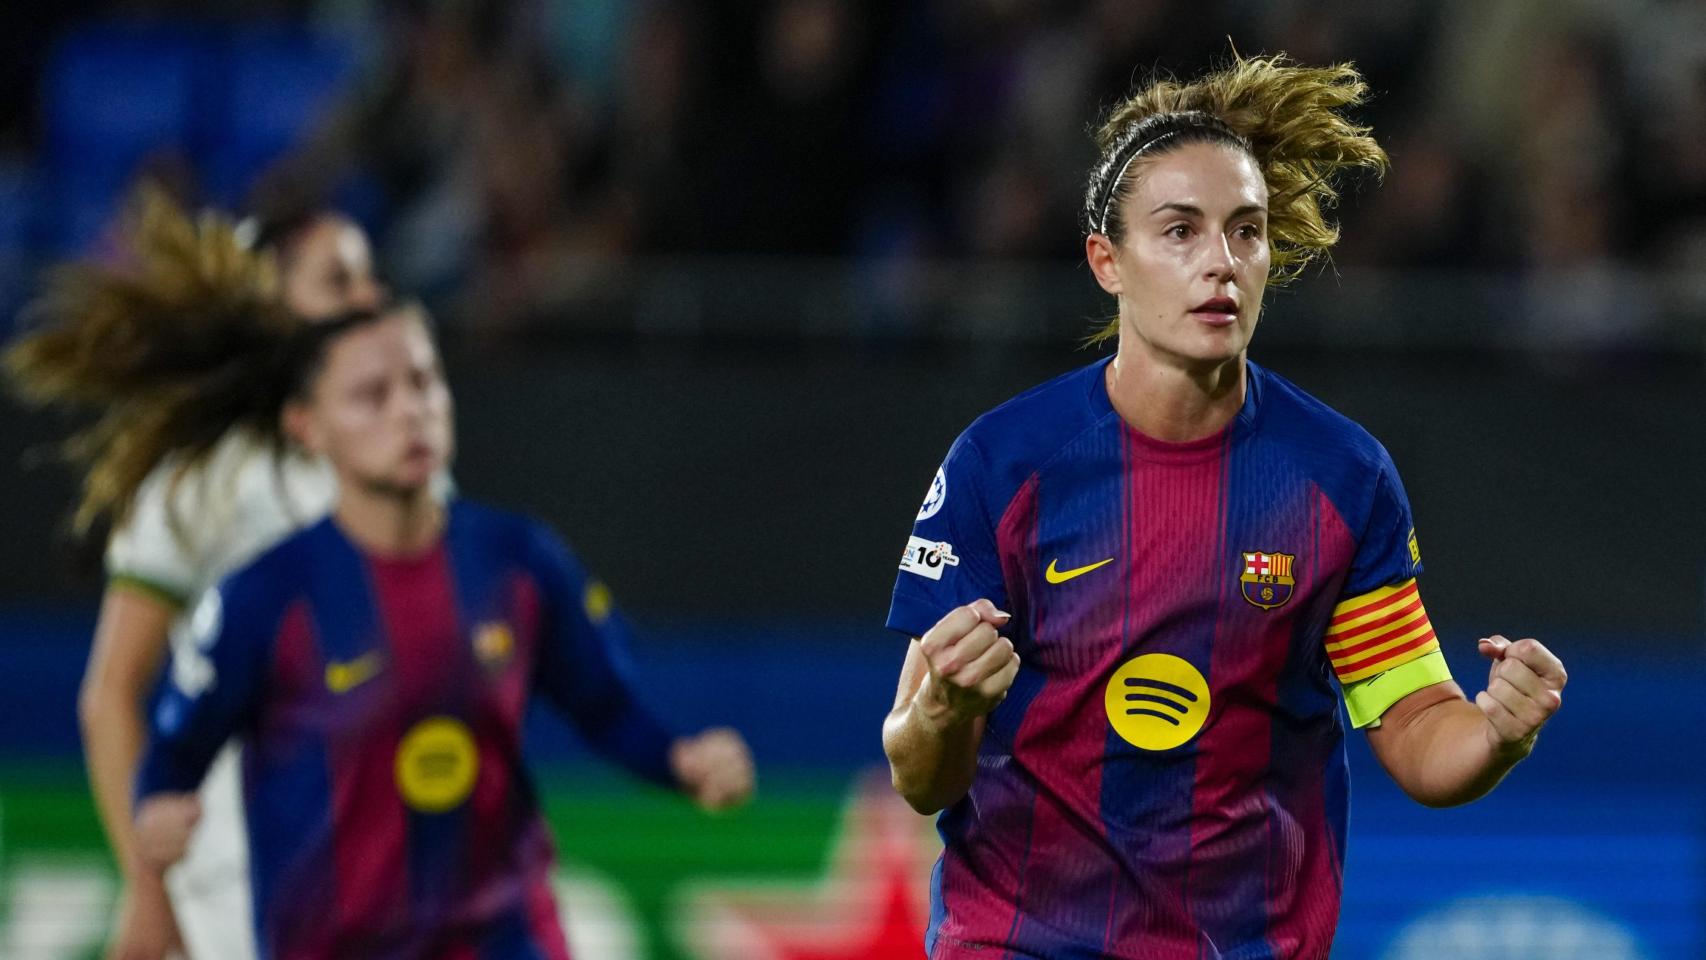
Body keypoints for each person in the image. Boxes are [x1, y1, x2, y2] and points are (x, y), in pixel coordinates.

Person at [880, 54, 1568, 960]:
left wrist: (1495, 734)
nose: (1221, 262)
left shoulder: (1339, 477)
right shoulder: (1002, 466)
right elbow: (921, 774)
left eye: (1246, 232)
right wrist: (940, 715)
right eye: (1180, 232)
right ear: (1106, 262)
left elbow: (1412, 725)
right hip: (1020, 942)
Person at [116, 281, 752, 954]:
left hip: (503, 937)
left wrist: (680, 761)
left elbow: (605, 707)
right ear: (306, 425)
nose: (410, 411)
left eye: (424, 383)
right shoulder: (262, 599)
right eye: (372, 395)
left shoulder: (520, 563)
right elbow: (175, 752)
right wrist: (156, 813)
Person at [6, 188, 386, 960]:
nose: (371, 298)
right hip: (244, 880)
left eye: (369, 277)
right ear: (271, 308)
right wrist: (151, 892)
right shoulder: (207, 481)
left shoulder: (401, 466)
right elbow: (110, 694)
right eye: (339, 280)